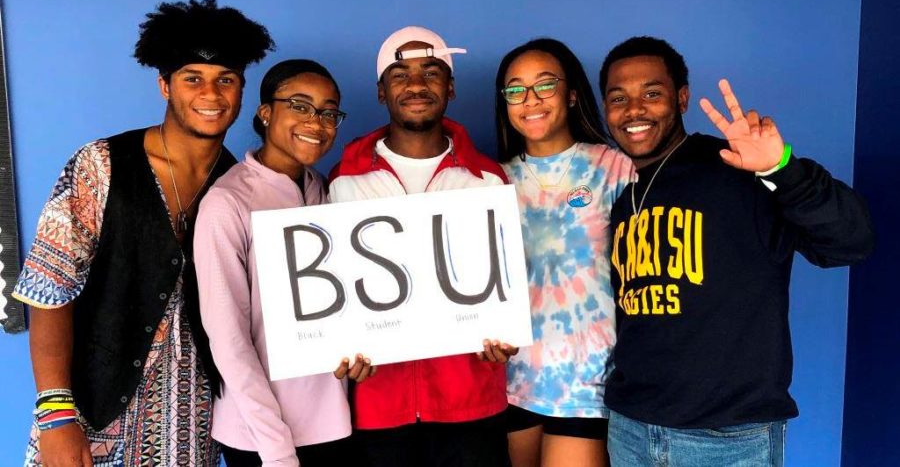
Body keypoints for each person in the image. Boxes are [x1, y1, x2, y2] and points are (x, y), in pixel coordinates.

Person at [12, 0, 273, 465]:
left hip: (189, 424)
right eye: (193, 78)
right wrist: (55, 415)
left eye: (225, 81)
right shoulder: (101, 165)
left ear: (241, 90)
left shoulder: (242, 186)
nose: (211, 95)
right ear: (164, 86)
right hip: (88, 415)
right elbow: (49, 292)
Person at [598, 36, 875, 466]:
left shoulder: (735, 167)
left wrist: (780, 167)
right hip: (631, 428)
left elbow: (851, 241)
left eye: (652, 93)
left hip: (729, 439)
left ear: (682, 98)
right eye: (619, 98)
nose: (634, 110)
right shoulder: (620, 195)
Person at [329, 25, 516, 467]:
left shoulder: (487, 177)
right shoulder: (344, 179)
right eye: (400, 74)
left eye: (431, 72)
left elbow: (505, 282)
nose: (416, 84)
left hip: (471, 402)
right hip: (379, 406)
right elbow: (333, 292)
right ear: (380, 92)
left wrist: (506, 336)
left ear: (450, 87)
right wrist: (337, 346)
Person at [193, 59, 375, 467]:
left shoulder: (325, 190)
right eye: (300, 105)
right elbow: (228, 339)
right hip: (260, 437)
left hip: (334, 426)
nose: (316, 121)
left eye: (329, 112)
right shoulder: (228, 203)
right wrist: (275, 449)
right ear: (265, 112)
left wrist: (360, 352)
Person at [495, 38, 634, 467]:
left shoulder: (613, 166)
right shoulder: (489, 180)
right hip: (511, 377)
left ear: (571, 94)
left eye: (545, 85)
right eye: (515, 89)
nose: (529, 100)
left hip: (587, 383)